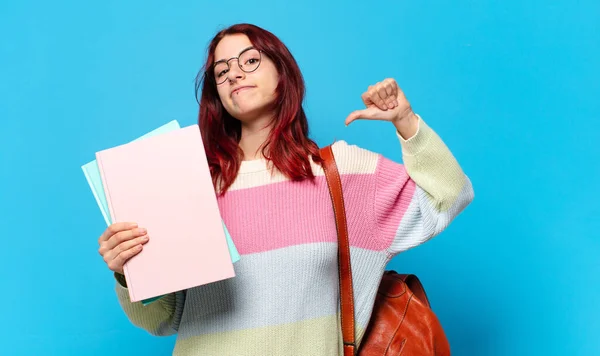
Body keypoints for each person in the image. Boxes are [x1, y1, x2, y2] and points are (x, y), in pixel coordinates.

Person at [97, 23, 474, 355]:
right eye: (221, 71)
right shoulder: (191, 185)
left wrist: (405, 121)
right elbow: (161, 320)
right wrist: (128, 270)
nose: (233, 75)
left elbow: (448, 196)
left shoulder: (341, 173)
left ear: (284, 72)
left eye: (249, 60)